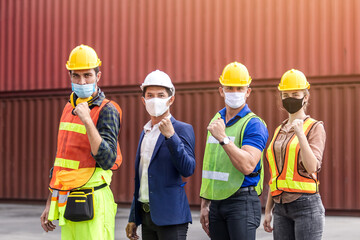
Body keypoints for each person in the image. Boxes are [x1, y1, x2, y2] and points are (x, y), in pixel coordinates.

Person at [40, 44, 123, 240]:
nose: (82, 81)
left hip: (93, 201)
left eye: (87, 75)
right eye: (76, 76)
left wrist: (87, 120)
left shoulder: (107, 110)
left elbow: (107, 159)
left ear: (98, 76)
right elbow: (61, 161)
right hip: (68, 203)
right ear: (70, 76)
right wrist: (50, 201)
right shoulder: (68, 108)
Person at [199, 62, 269, 240]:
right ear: (221, 90)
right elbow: (212, 165)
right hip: (216, 203)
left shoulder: (254, 124)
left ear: (248, 91)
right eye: (230, 88)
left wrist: (223, 138)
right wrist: (205, 203)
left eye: (240, 88)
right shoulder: (217, 119)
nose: (235, 92)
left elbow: (248, 165)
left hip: (242, 202)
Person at [125, 70, 196, 240]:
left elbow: (188, 168)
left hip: (171, 218)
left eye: (160, 95)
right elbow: (143, 177)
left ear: (171, 99)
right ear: (143, 100)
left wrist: (171, 137)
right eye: (150, 95)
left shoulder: (181, 129)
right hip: (147, 217)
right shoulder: (145, 132)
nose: (155, 99)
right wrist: (134, 217)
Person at [263, 69, 326, 240]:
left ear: (305, 96)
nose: (290, 97)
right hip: (280, 207)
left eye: (295, 93)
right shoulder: (278, 130)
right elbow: (275, 175)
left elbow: (312, 167)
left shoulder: (315, 127)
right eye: (286, 94)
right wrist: (268, 210)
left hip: (307, 206)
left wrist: (300, 134)